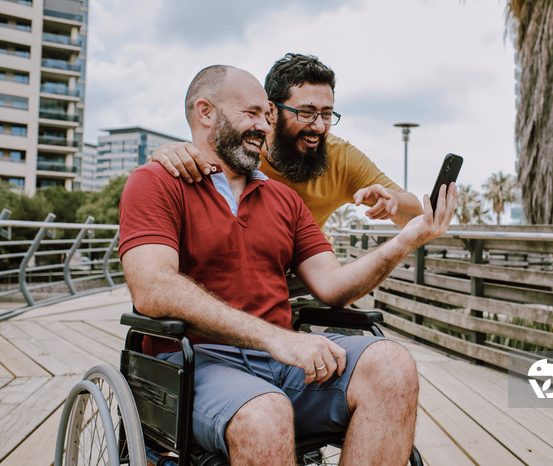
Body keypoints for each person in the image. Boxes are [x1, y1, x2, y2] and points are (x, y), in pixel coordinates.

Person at [119, 65, 457, 465]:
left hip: (282, 361)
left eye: (266, 116)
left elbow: (331, 285)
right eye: (252, 114)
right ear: (205, 112)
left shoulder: (284, 200)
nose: (263, 126)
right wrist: (277, 339)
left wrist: (404, 241)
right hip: (195, 363)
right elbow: (153, 288)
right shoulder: (155, 182)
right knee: (266, 413)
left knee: (392, 364)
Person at [152, 53, 424, 230]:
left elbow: (417, 214)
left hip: (311, 278)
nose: (318, 126)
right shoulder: (245, 147)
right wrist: (166, 152)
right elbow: (204, 150)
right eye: (305, 113)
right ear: (272, 111)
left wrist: (394, 203)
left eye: (327, 115)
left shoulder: (340, 156)